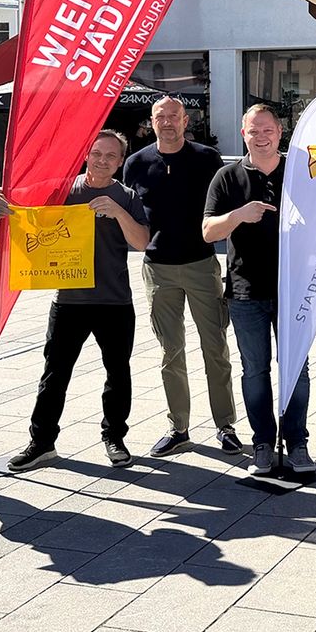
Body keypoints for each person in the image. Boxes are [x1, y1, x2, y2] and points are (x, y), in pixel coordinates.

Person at [0, 130, 150, 472]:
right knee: (54, 374)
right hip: (69, 300)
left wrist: (118, 213)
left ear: (120, 162)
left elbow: (142, 243)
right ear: (86, 155)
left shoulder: (127, 196)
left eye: (110, 156)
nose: (102, 160)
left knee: (118, 374)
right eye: (97, 153)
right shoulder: (63, 189)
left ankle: (114, 437)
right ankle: (42, 442)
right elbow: (13, 201)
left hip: (115, 301)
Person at [123, 97, 242, 457]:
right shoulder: (136, 164)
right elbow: (130, 215)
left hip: (201, 265)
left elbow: (225, 209)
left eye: (174, 116)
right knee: (170, 351)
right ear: (152, 121)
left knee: (215, 348)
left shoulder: (206, 159)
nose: (168, 122)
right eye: (161, 117)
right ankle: (179, 427)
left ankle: (226, 425)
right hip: (158, 269)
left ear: (185, 120)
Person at [202, 104, 314, 475]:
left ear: (280, 132)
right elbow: (207, 232)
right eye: (254, 130)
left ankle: (297, 443)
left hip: (295, 290)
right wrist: (237, 216)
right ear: (243, 133)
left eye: (268, 130)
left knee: (296, 369)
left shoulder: (302, 172)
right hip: (245, 291)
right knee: (254, 371)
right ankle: (263, 443)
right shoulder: (227, 177)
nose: (261, 136)